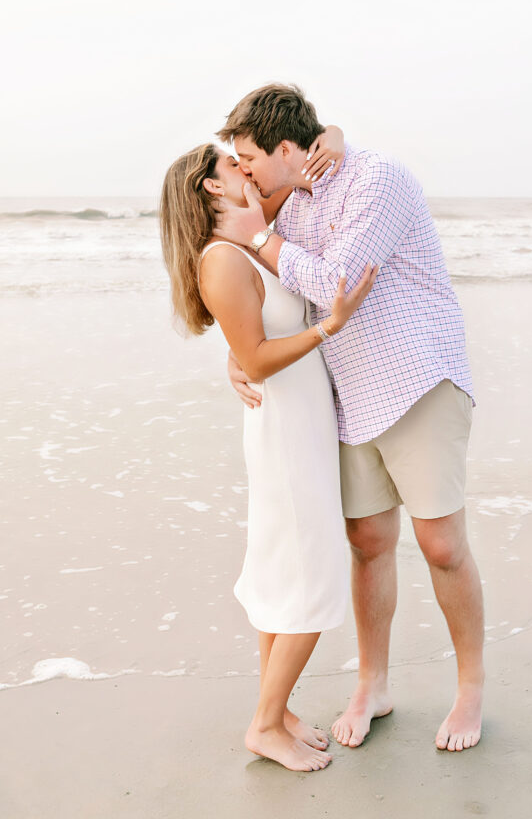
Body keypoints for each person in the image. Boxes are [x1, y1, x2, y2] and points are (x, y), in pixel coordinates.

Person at [213, 83, 485, 754]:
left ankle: (471, 686)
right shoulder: (285, 201)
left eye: (249, 157)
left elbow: (337, 284)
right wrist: (235, 354)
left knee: (441, 544)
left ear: (285, 147)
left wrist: (260, 239)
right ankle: (373, 683)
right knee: (367, 543)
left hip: (416, 378)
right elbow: (269, 297)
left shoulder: (377, 178)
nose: (242, 170)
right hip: (343, 396)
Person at [159, 133, 377, 772]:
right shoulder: (221, 259)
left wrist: (331, 139)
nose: (245, 167)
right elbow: (256, 357)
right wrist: (327, 325)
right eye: (234, 164)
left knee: (284, 574)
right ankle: (262, 725)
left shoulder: (246, 239)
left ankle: (276, 710)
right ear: (210, 186)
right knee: (309, 579)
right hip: (285, 434)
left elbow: (311, 152)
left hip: (299, 425)